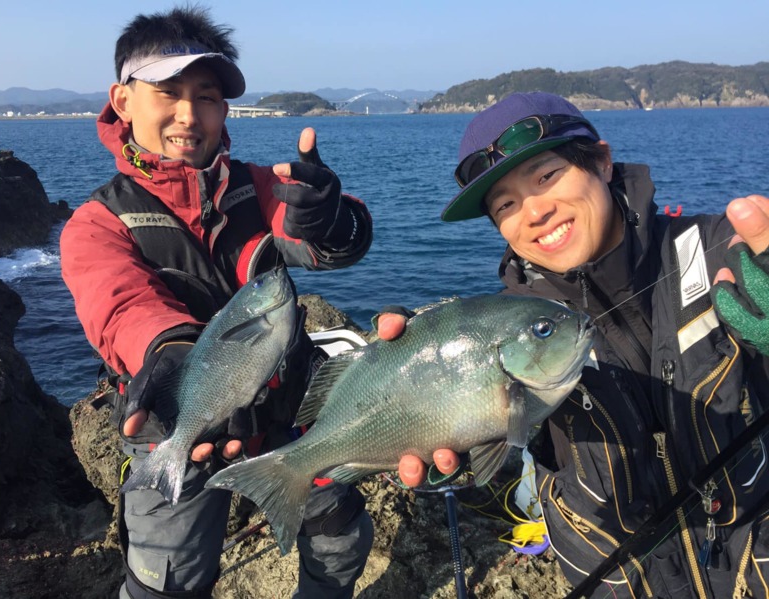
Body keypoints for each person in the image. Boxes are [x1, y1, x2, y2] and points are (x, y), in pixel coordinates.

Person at [381, 92, 769, 597]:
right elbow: (490, 443)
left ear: (603, 162)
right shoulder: (498, 329)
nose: (535, 211)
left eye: (546, 176)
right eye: (506, 204)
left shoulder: (723, 251)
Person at [60, 6, 374, 598]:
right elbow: (121, 305)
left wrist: (334, 218)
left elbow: (333, 244)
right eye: (168, 92)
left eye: (205, 96)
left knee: (341, 537)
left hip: (290, 417)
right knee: (165, 578)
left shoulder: (258, 188)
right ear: (122, 101)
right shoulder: (96, 222)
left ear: (224, 109)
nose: (188, 114)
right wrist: (173, 355)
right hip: (176, 423)